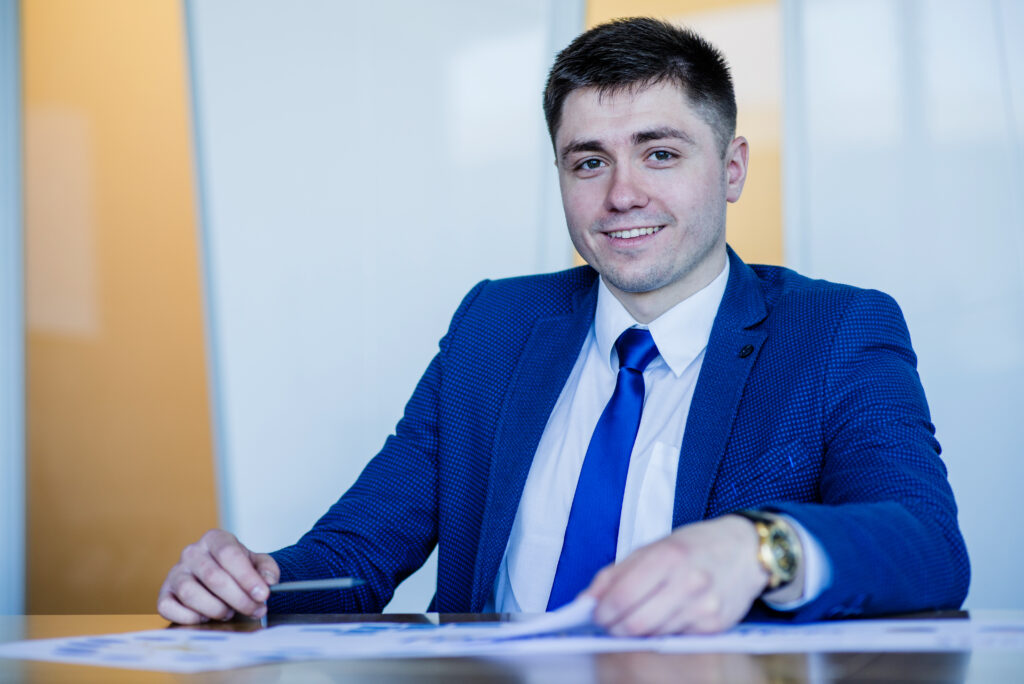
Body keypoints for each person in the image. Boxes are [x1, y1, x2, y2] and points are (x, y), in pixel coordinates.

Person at [158, 18, 969, 635]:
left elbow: (927, 544)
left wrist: (760, 547)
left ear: (731, 170)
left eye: (659, 154)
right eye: (589, 161)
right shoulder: (495, 326)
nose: (621, 194)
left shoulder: (834, 331)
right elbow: (352, 558)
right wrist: (251, 582)